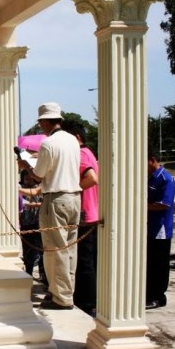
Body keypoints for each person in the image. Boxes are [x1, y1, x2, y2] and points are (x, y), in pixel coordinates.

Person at [18, 103, 81, 310]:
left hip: (55, 197)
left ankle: (60, 296)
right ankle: (66, 291)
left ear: (45, 121)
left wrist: (26, 164)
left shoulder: (48, 143)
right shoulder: (72, 140)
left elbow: (38, 176)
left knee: (55, 249)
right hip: (74, 196)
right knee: (70, 247)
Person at [66, 122, 100, 316]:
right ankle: (89, 298)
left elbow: (91, 179)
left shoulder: (80, 155)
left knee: (84, 261)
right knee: (88, 259)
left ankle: (86, 302)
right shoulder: (89, 153)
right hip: (91, 212)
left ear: (77, 138)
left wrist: (72, 189)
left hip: (85, 213)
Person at [146, 153, 175, 309]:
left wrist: (142, 207)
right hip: (149, 227)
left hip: (161, 229)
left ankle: (158, 296)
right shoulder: (149, 177)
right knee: (150, 262)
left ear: (152, 160)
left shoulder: (166, 179)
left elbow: (165, 204)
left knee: (160, 264)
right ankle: (149, 293)